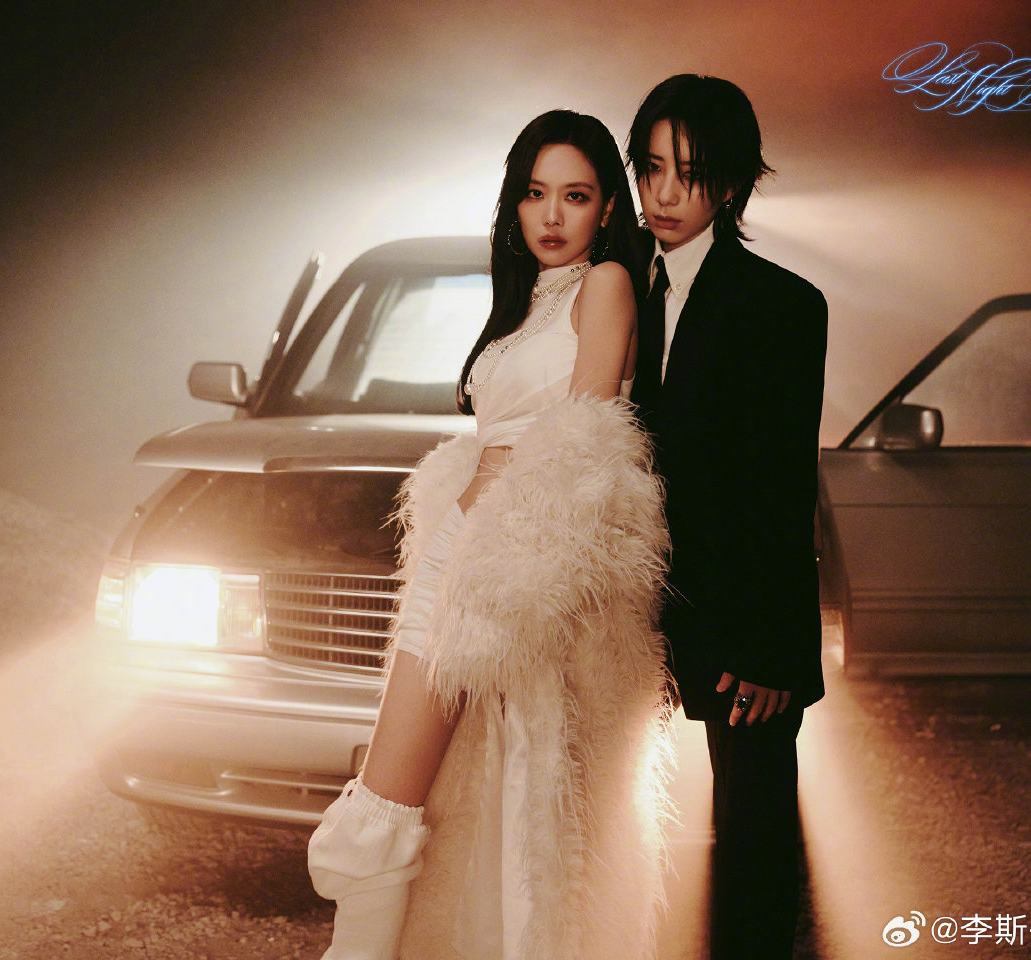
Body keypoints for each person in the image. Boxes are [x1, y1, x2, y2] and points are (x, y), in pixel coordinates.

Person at [307, 110, 674, 960]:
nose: (552, 215)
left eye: (575, 196)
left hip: (517, 564)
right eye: (535, 194)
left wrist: (506, 552)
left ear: (606, 209)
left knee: (439, 796)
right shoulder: (522, 304)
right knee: (424, 796)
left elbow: (586, 438)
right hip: (461, 548)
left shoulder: (605, 285)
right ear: (514, 205)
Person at [626, 74, 828, 959]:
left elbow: (783, 487)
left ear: (734, 183)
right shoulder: (615, 285)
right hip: (626, 605)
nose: (665, 194)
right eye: (651, 169)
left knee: (753, 837)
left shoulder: (783, 304)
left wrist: (776, 650)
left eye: (691, 173)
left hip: (740, 616)